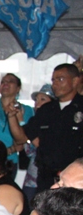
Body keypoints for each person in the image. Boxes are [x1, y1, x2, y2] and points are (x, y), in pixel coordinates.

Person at [8, 63, 83, 193]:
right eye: (53, 80)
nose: (55, 84)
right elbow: (21, 138)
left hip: (74, 181)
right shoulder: (46, 110)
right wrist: (11, 117)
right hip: (46, 178)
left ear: (75, 81)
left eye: (60, 79)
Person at [22, 83, 56, 203]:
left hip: (48, 176)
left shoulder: (56, 123)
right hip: (32, 176)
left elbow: (40, 146)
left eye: (43, 99)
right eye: (36, 100)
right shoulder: (33, 122)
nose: (37, 103)